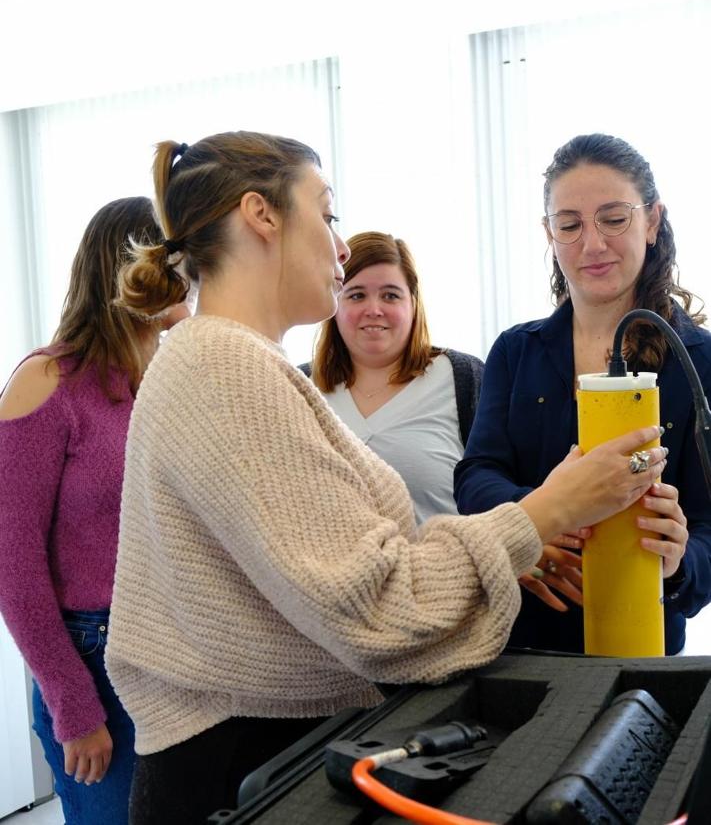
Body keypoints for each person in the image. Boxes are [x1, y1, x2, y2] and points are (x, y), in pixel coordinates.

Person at [104, 130, 667, 824]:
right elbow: (379, 610)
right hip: (242, 766)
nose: (340, 247)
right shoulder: (227, 370)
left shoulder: (230, 362)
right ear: (261, 215)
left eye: (611, 220)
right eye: (327, 213)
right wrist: (545, 511)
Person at [454, 133, 711, 655]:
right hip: (519, 646)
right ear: (548, 234)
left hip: (643, 654)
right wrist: (534, 521)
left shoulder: (700, 361)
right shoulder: (516, 351)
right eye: (569, 225)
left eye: (614, 219)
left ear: (653, 221)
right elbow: (477, 475)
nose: (592, 244)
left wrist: (680, 560)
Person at [0, 198, 187, 824]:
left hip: (177, 648)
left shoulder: (169, 373)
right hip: (93, 658)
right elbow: (12, 561)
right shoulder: (47, 378)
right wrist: (73, 705)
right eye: (176, 260)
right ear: (128, 268)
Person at [300, 231, 483, 523]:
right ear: (335, 304)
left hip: (444, 567)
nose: (374, 310)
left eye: (390, 295)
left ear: (412, 304)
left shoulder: (465, 378)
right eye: (357, 295)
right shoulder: (300, 388)